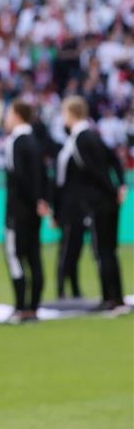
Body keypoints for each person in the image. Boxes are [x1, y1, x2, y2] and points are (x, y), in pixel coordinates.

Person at [54, 96, 128, 310]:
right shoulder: (93, 135)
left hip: (98, 202)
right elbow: (113, 159)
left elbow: (94, 172)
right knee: (109, 251)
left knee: (102, 251)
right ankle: (116, 297)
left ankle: (108, 298)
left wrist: (112, 190)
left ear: (71, 113)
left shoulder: (80, 139)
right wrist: (120, 185)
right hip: (107, 200)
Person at [3, 100, 46, 323]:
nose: (6, 118)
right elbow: (43, 174)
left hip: (18, 210)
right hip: (34, 210)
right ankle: (33, 307)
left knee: (14, 255)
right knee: (34, 257)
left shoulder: (15, 141)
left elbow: (19, 176)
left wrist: (29, 200)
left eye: (9, 114)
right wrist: (41, 200)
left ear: (18, 115)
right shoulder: (35, 141)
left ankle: (20, 307)